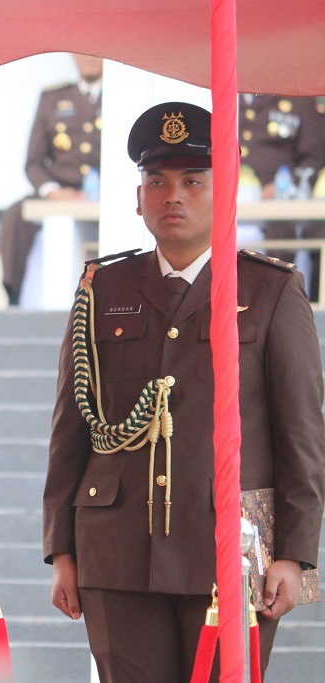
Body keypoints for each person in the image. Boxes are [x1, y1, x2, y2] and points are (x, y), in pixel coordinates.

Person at [42, 101, 325, 681]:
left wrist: (295, 555)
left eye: (193, 182)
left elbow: (302, 433)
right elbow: (72, 427)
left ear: (224, 194)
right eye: (157, 181)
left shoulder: (271, 290)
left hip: (229, 544)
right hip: (116, 546)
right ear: (138, 196)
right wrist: (62, 549)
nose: (173, 196)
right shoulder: (103, 286)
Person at [0, 53, 103, 306]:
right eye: (82, 52)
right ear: (72, 56)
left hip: (107, 190)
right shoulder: (53, 98)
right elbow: (34, 162)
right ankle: (13, 294)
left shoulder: (123, 94)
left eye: (95, 52)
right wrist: (52, 191)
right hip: (61, 189)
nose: (88, 59)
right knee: (16, 215)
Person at [239, 94, 325, 299]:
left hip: (277, 204)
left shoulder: (297, 97)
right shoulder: (222, 93)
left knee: (284, 236)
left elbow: (312, 158)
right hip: (224, 196)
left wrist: (283, 188)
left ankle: (270, 301)